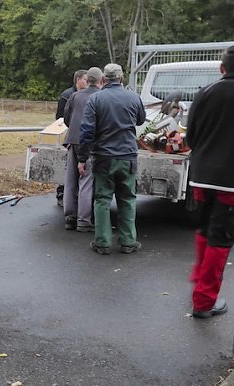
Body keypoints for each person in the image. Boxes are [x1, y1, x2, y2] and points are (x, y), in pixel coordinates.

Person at [183, 44, 234, 319]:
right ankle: (204, 300)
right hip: (231, 179)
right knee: (221, 238)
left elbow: (191, 137)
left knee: (205, 230)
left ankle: (199, 280)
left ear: (222, 67)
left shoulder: (204, 92)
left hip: (201, 177)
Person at [78, 63, 146, 255]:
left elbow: (87, 131)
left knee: (102, 199)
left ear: (103, 79)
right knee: (127, 199)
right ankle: (128, 242)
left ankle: (102, 242)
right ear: (121, 78)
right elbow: (141, 120)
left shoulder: (95, 99)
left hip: (104, 157)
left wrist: (82, 158)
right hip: (127, 156)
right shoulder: (133, 97)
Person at [62, 67, 104, 232]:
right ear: (101, 80)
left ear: (88, 80)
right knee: (86, 180)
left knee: (70, 180)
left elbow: (67, 118)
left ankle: (69, 217)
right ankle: (84, 220)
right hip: (90, 142)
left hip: (72, 140)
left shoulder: (75, 96)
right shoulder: (100, 97)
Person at [55, 70, 89, 207]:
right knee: (68, 170)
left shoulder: (86, 94)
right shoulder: (68, 95)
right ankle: (62, 195)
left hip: (81, 136)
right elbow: (61, 117)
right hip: (71, 136)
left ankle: (75, 199)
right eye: (85, 79)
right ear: (78, 80)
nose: (88, 82)